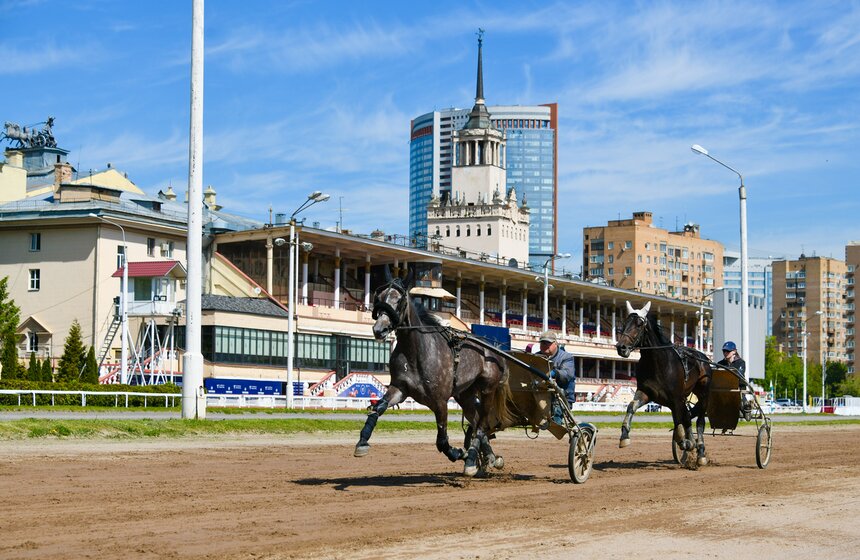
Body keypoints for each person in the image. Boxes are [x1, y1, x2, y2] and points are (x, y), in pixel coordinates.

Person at [538, 330, 576, 425]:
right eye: (542, 343)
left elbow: (567, 375)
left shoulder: (566, 357)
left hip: (561, 397)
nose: (544, 345)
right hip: (540, 395)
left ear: (555, 343)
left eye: (548, 343)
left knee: (556, 423)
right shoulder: (536, 356)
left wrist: (554, 373)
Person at [718, 341, 752, 421]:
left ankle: (746, 408)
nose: (725, 353)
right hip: (724, 389)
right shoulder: (720, 363)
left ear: (734, 351)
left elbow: (739, 376)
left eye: (727, 351)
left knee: (738, 396)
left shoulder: (741, 363)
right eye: (724, 351)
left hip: (738, 388)